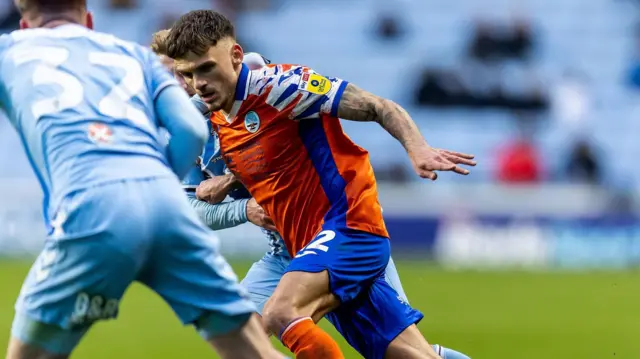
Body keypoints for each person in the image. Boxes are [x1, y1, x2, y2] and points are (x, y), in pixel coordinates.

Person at [166, 9, 476, 359]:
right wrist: (227, 182)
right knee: (411, 355)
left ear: (236, 56)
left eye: (206, 68)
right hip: (301, 245)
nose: (198, 82)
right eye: (188, 74)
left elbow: (377, 105)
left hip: (349, 227)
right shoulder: (211, 116)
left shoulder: (281, 87)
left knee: (282, 312)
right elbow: (267, 157)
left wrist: (417, 148)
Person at [1, 1, 285, 359]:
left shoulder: (10, 51)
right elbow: (189, 128)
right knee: (253, 352)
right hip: (167, 209)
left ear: (24, 27)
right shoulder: (135, 57)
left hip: (91, 209)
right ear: (89, 21)